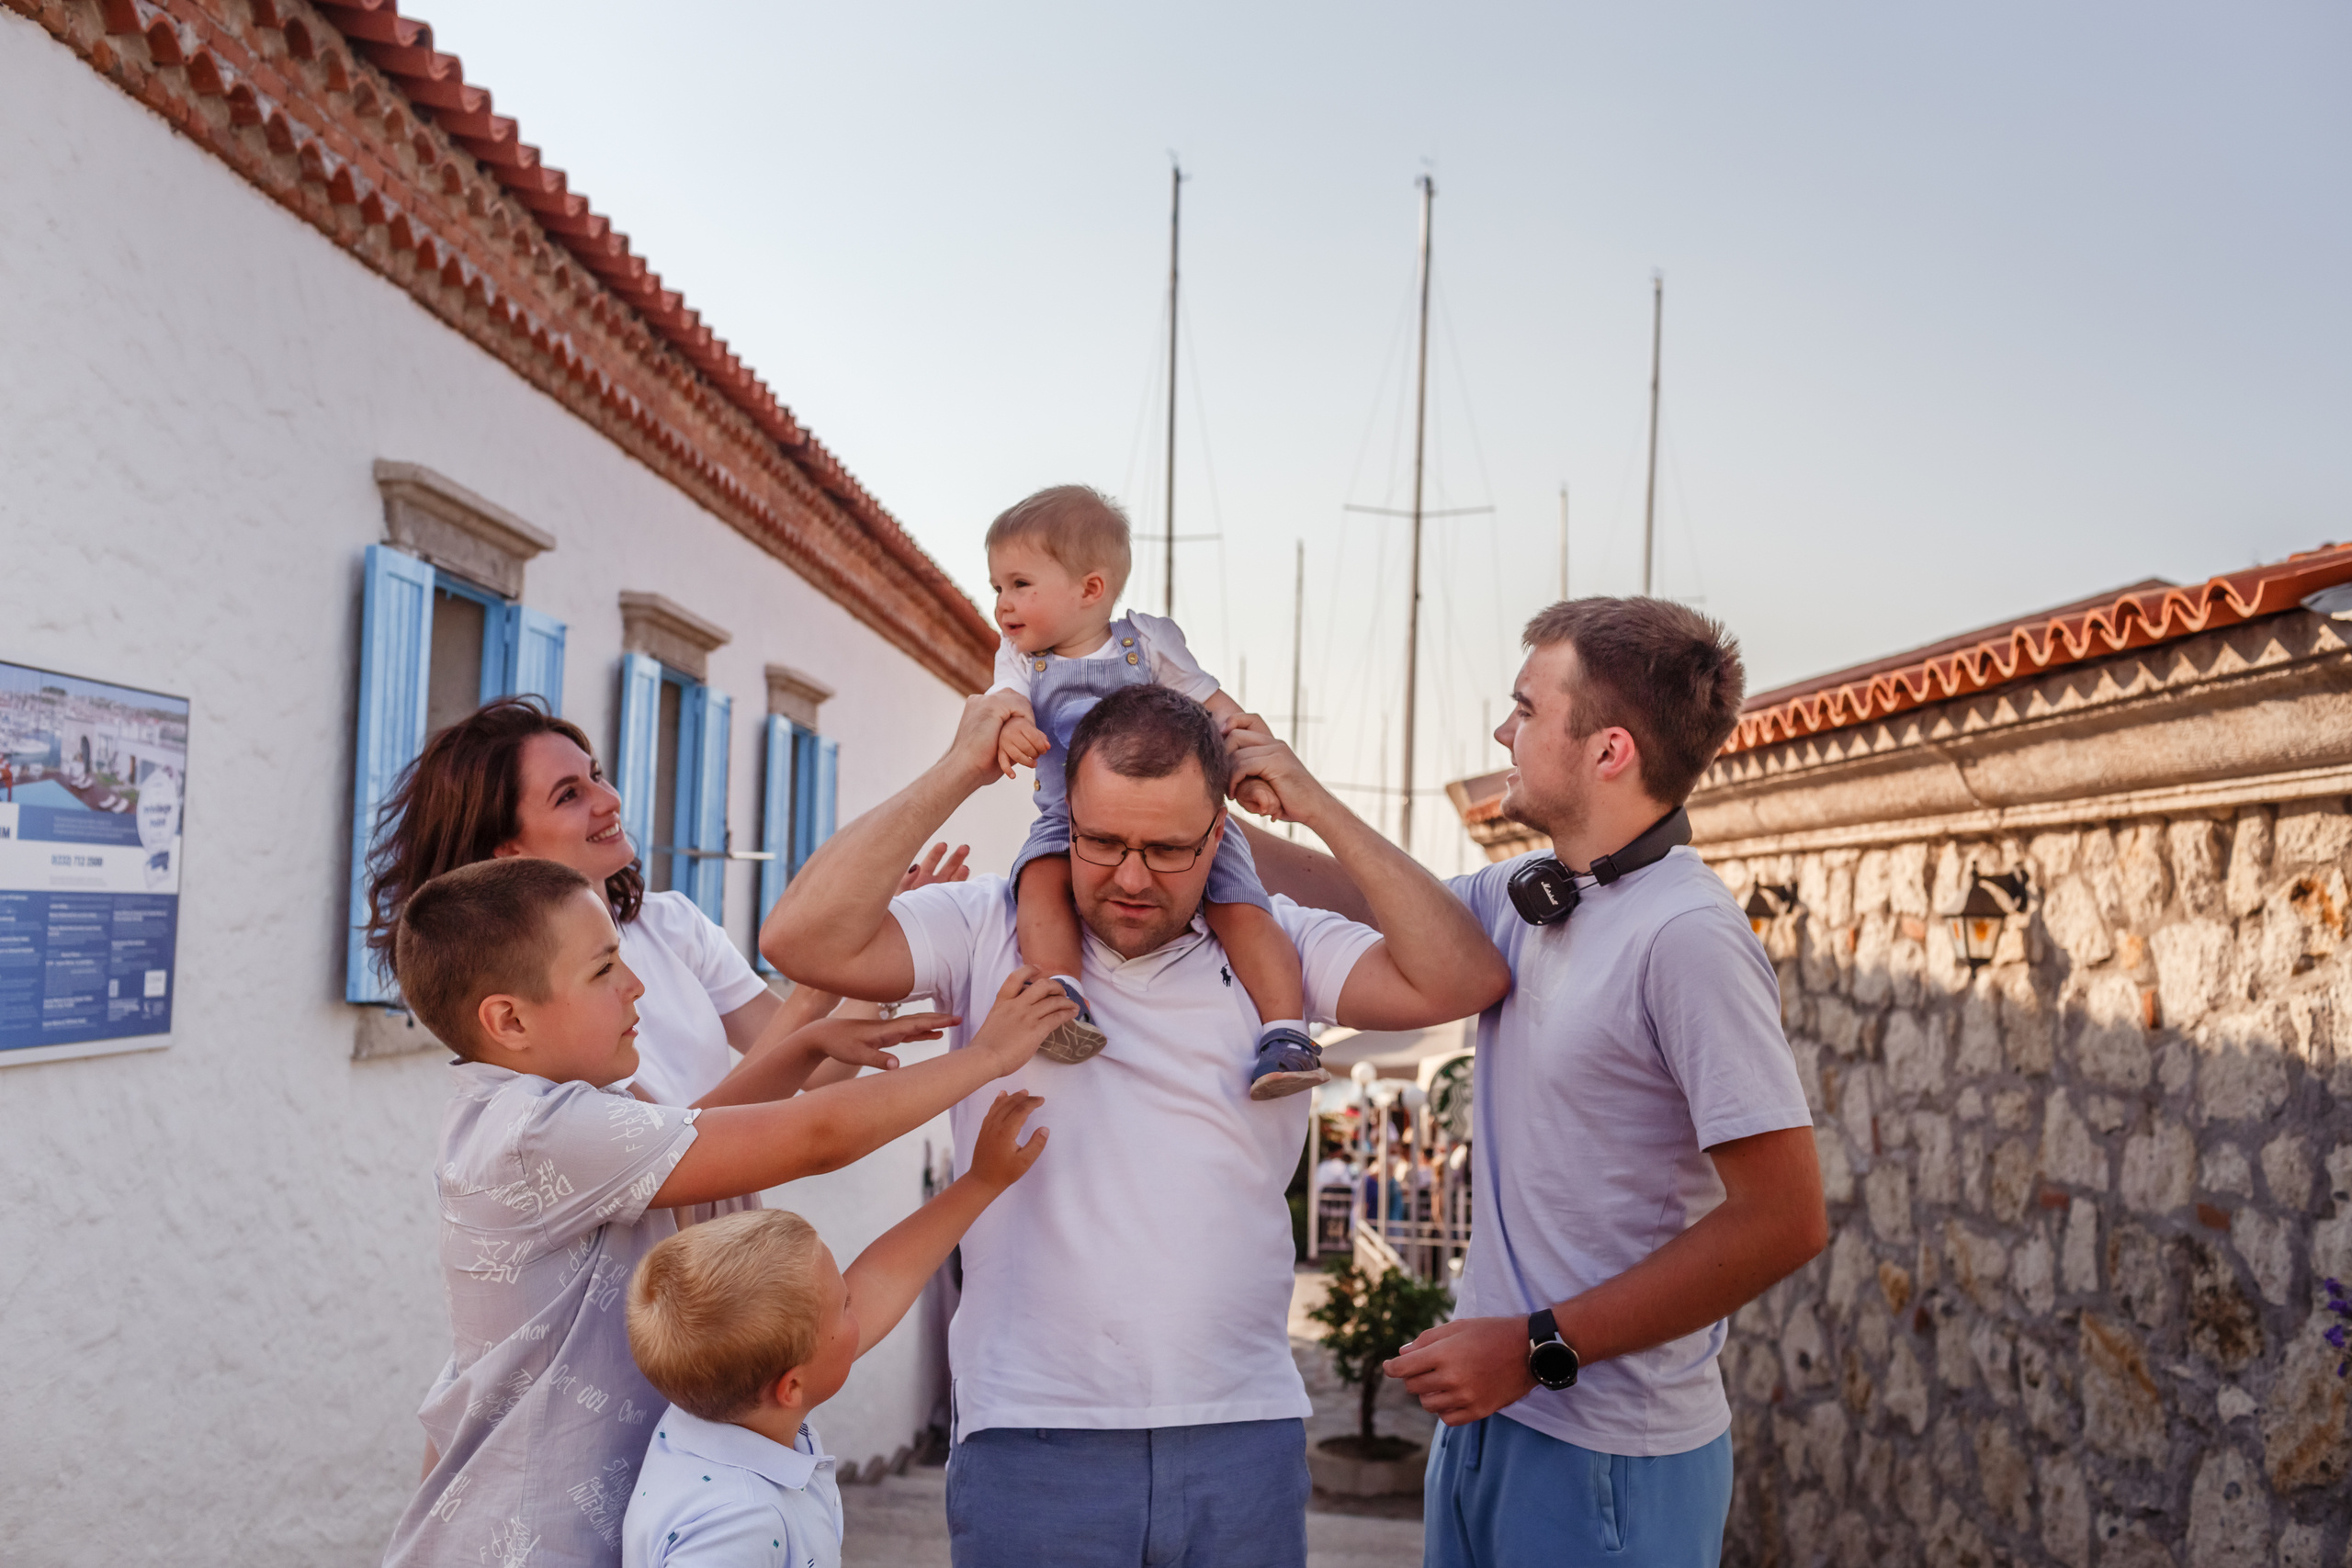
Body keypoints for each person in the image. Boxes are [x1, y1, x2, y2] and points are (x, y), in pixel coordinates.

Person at [760, 683, 1510, 1568]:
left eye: (1167, 849)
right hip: (1031, 1437)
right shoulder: (987, 925)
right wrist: (958, 768)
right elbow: (800, 939)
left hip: (1242, 1433)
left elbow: (1463, 978)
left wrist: (1313, 803)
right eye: (1103, 841)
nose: (1129, 877)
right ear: (1063, 824)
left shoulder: (1277, 946)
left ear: (1219, 837)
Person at [1241, 596, 1826, 1568]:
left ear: (1608, 751)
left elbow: (1784, 1220)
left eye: (1524, 708)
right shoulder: (1536, 893)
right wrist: (1196, 802)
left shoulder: (1688, 937)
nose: (1500, 732)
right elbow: (1363, 898)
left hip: (1608, 1455)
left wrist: (1533, 1347)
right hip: (1491, 1421)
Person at [377, 857, 1077, 1568]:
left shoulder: (531, 1111)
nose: (636, 984)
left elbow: (695, 1135)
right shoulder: (537, 1133)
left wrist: (803, 1047)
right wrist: (989, 1055)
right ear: (509, 1019)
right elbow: (815, 1138)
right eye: (604, 968)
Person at [982, 484, 1326, 1100]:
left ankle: (1286, 1032)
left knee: (1241, 905)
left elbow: (1215, 707)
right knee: (1039, 882)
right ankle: (1063, 995)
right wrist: (1009, 729)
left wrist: (1251, 766)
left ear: (1091, 588)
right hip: (1072, 821)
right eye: (997, 588)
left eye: (1019, 584)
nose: (1002, 603)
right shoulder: (1019, 661)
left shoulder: (1149, 642)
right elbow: (1004, 706)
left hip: (1178, 823)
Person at [619, 1090, 1048, 1568]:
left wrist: (982, 1181)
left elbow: (882, 1279)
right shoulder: (735, 1524)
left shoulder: (709, 1411)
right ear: (791, 1387)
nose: (856, 1305)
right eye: (844, 1306)